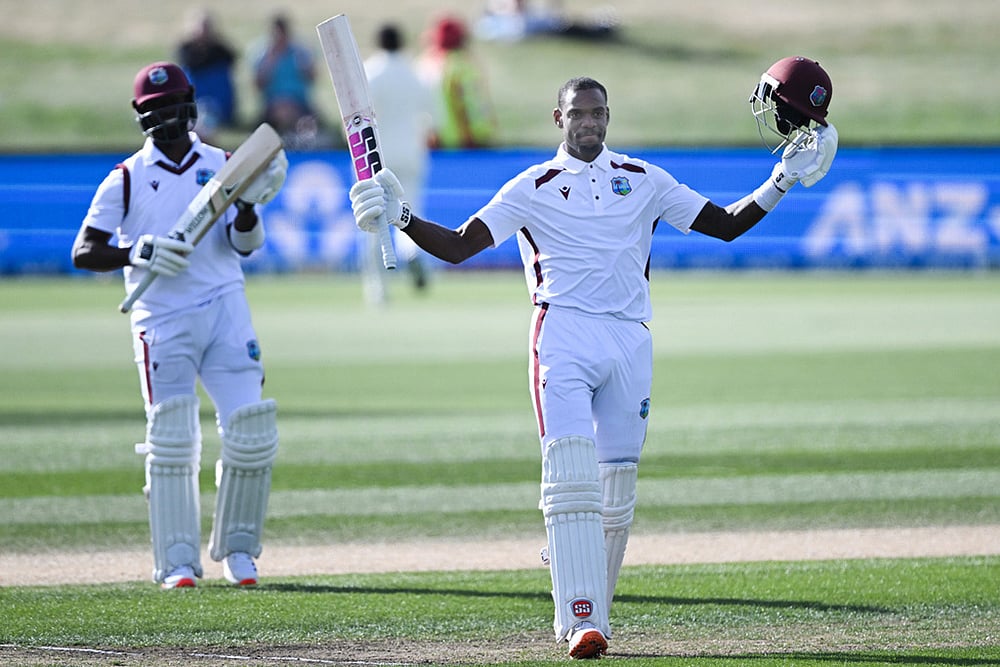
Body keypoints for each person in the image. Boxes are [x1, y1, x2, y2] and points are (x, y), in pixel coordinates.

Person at [349, 60, 837, 658]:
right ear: (559, 119)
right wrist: (398, 217)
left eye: (598, 112)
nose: (589, 122)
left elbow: (727, 226)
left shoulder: (645, 178)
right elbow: (457, 247)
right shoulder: (531, 186)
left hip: (630, 337)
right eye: (578, 112)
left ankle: (587, 608)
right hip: (563, 336)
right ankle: (584, 621)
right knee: (572, 479)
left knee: (616, 492)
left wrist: (781, 180)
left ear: (608, 118)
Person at [71, 61, 289, 590]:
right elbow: (84, 250)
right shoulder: (124, 178)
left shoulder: (225, 164)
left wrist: (247, 209)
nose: (167, 117)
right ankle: (177, 563)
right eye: (156, 110)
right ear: (141, 116)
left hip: (225, 307)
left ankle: (239, 554)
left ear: (191, 105)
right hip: (161, 319)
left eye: (174, 106)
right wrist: (136, 251)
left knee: (250, 432)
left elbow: (245, 245)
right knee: (171, 441)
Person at [362, 23, 438, 304]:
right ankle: (412, 253)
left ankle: (378, 291)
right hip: (411, 151)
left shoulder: (370, 72)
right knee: (410, 214)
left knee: (373, 219)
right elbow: (434, 115)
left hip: (377, 155)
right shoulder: (415, 72)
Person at [418, 16, 497, 149]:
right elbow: (464, 104)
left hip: (434, 142)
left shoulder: (423, 65)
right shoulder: (462, 66)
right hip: (466, 142)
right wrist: (470, 137)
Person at [250, 13, 320, 147]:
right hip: (272, 104)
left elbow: (312, 78)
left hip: (299, 102)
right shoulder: (262, 54)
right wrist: (270, 62)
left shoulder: (300, 52)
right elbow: (258, 85)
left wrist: (304, 66)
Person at [176, 9, 239, 135]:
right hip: (196, 99)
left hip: (217, 100)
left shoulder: (221, 51)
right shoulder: (186, 50)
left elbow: (232, 59)